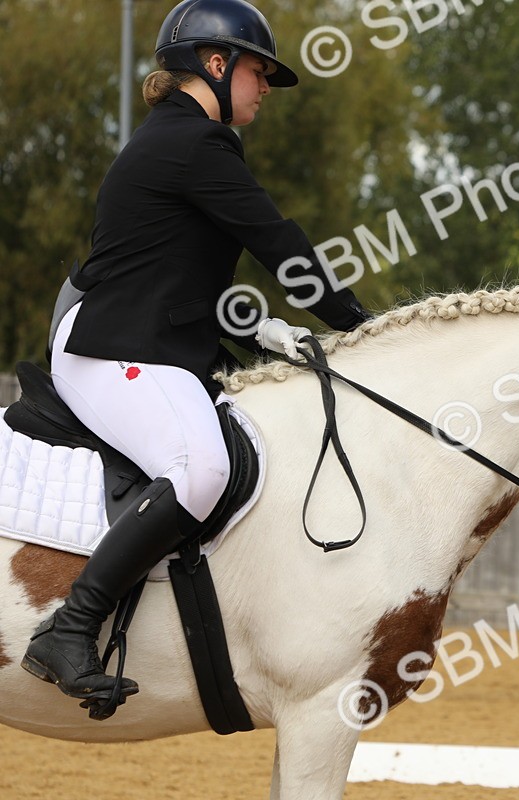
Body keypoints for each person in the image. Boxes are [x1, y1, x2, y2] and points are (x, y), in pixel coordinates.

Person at [21, 0, 371, 714]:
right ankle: (70, 628)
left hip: (143, 339)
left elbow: (190, 286)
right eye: (258, 71)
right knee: (202, 467)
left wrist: (269, 333)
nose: (264, 86)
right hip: (111, 347)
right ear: (216, 65)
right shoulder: (192, 146)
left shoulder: (184, 142)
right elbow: (281, 244)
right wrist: (361, 327)